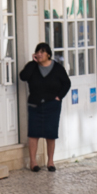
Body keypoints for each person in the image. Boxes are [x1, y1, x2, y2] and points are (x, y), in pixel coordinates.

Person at [19, 42, 71, 172]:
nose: (39, 54)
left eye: (42, 52)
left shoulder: (57, 68)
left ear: (48, 54)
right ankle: (33, 162)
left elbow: (66, 83)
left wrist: (59, 97)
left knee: (50, 134)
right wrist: (33, 62)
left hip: (52, 105)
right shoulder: (32, 66)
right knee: (33, 134)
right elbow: (23, 77)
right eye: (37, 52)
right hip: (35, 104)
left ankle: (50, 162)